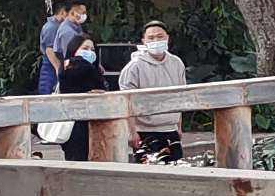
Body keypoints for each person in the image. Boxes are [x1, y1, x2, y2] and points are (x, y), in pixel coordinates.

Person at [119, 19, 189, 162]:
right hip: (145, 131)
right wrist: (132, 132)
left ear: (167, 38)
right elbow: (126, 102)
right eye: (151, 38)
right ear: (144, 41)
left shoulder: (177, 63)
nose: (156, 40)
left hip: (170, 129)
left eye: (160, 36)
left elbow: (180, 96)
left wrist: (179, 126)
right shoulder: (134, 67)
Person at [55, 29, 107, 161]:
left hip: (95, 124)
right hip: (75, 125)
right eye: (85, 48)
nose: (89, 52)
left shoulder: (92, 69)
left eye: (92, 49)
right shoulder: (71, 68)